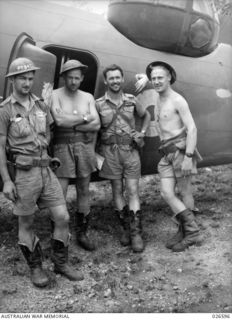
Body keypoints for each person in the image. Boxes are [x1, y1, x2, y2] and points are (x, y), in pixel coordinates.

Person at [0, 58, 83, 288]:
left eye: (30, 78)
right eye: (22, 78)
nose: (27, 82)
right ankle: (36, 268)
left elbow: (46, 135)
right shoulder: (5, 110)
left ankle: (60, 262)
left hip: (46, 170)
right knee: (26, 224)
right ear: (13, 80)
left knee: (62, 216)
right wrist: (7, 180)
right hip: (24, 174)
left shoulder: (40, 105)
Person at [144, 60, 203, 252]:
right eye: (153, 78)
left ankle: (189, 232)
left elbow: (192, 129)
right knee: (167, 193)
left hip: (180, 152)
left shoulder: (178, 100)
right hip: (166, 154)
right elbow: (146, 80)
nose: (156, 81)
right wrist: (141, 77)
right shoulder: (157, 96)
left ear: (169, 77)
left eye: (160, 77)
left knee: (185, 192)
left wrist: (187, 157)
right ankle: (187, 229)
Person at [96, 64, 150, 253]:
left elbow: (146, 115)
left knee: (133, 190)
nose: (115, 81)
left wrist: (142, 133)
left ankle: (136, 233)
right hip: (110, 152)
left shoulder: (132, 100)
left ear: (122, 78)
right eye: (111, 78)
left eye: (118, 77)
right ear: (106, 81)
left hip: (130, 151)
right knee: (117, 190)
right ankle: (125, 228)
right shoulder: (98, 104)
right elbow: (95, 129)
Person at [51, 60, 100, 251]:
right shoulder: (55, 95)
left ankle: (82, 233)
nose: (73, 82)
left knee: (84, 189)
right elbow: (59, 120)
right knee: (60, 192)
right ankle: (58, 233)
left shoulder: (87, 97)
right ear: (64, 77)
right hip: (62, 146)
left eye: (77, 78)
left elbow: (96, 125)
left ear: (82, 78)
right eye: (70, 77)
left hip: (85, 147)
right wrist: (85, 118)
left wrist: (73, 122)